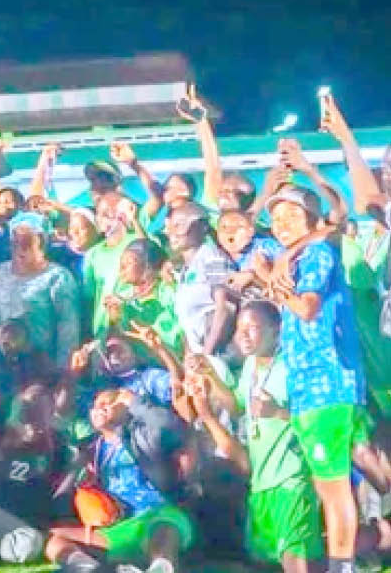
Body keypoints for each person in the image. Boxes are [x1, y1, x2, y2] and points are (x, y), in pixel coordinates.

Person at [259, 186, 368, 573]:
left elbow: (307, 308)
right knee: (329, 485)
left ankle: (344, 565)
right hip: (309, 390)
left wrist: (273, 284)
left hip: (327, 386)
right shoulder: (295, 258)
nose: (282, 225)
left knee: (333, 486)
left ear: (310, 220)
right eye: (276, 219)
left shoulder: (318, 253)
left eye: (292, 216)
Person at [194, 301, 323, 572]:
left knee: (294, 559)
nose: (243, 335)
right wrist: (210, 377)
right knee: (266, 561)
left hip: (291, 477)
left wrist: (277, 412)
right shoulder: (251, 365)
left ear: (276, 331)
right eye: (240, 328)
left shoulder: (292, 365)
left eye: (253, 328)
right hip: (261, 481)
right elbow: (237, 406)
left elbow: (317, 421)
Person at [44, 389, 194, 573]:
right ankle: (91, 569)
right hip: (120, 527)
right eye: (97, 405)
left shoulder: (143, 437)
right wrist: (78, 470)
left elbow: (167, 425)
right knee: (55, 539)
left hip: (159, 515)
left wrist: (136, 402)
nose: (101, 408)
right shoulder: (90, 449)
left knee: (163, 532)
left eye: (109, 403)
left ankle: (161, 567)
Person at [0, 211, 81, 375]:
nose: (20, 250)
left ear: (42, 245)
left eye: (27, 244)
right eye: (15, 244)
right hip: (2, 366)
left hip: (41, 369)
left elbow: (68, 331)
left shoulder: (58, 278)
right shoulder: (0, 273)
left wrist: (62, 372)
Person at [164, 202, 236, 354]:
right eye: (171, 227)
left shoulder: (212, 257)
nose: (172, 233)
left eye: (180, 226)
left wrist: (206, 354)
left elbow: (224, 307)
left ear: (201, 228)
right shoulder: (185, 267)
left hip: (215, 352)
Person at [103, 238, 184, 358]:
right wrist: (115, 319)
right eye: (121, 263)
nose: (122, 268)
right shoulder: (123, 297)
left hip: (172, 363)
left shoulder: (169, 291)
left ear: (147, 266)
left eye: (129, 262)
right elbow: (118, 342)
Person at [83, 192, 141, 338]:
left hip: (134, 327)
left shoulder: (136, 241)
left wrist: (134, 220)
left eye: (106, 214)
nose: (100, 219)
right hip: (102, 330)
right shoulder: (93, 254)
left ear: (121, 216)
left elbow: (150, 255)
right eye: (99, 214)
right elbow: (89, 297)